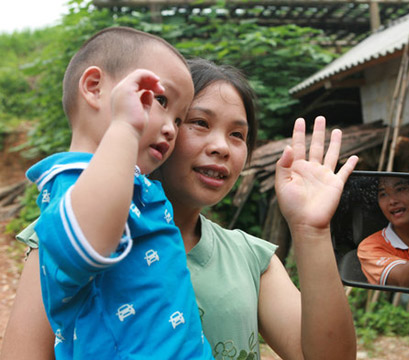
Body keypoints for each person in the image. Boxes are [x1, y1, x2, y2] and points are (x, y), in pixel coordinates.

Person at [1, 58, 359, 360]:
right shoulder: (73, 235)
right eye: (199, 123)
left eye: (238, 135)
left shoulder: (250, 259)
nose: (222, 146)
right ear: (159, 128)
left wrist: (311, 230)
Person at [15, 26, 213, 359]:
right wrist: (124, 127)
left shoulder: (140, 185)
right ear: (94, 88)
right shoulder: (71, 181)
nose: (170, 127)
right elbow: (88, 245)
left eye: (179, 120)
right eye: (160, 100)